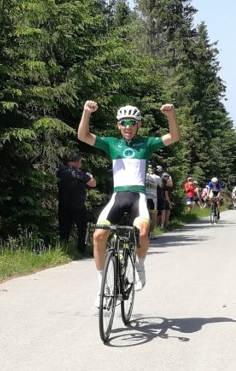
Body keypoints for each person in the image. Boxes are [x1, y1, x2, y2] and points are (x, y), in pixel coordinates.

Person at [78, 101, 180, 301]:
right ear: (118, 125)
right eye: (124, 122)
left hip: (138, 197)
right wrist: (86, 112)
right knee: (99, 236)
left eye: (132, 123)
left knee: (142, 232)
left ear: (138, 125)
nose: (128, 126)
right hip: (118, 197)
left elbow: (174, 137)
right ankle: (102, 286)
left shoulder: (146, 144)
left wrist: (170, 116)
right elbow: (83, 136)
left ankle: (140, 266)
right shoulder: (111, 144)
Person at [57, 153, 96, 254]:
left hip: (63, 205)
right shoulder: (78, 172)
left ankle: (63, 251)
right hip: (77, 206)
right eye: (80, 162)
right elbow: (92, 184)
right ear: (77, 162)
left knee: (64, 230)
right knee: (83, 228)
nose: (81, 164)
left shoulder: (61, 170)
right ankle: (81, 250)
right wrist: (90, 176)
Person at [145, 162, 162, 238]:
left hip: (144, 197)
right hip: (152, 197)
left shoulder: (143, 175)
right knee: (153, 215)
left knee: (144, 214)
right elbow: (161, 185)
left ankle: (145, 232)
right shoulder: (157, 177)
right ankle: (151, 232)